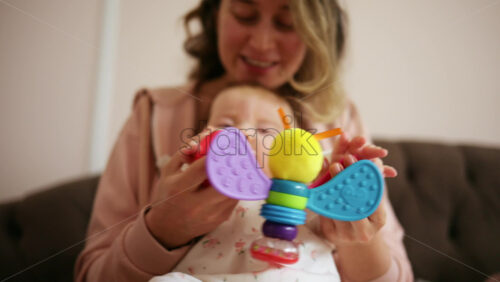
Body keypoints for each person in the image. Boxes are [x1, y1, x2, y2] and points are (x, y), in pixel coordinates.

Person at [75, 0, 413, 281]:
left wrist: (357, 238)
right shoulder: (154, 114)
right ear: (215, 15)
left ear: (317, 33)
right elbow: (93, 276)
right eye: (244, 15)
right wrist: (163, 228)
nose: (262, 43)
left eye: (286, 22)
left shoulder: (338, 120)